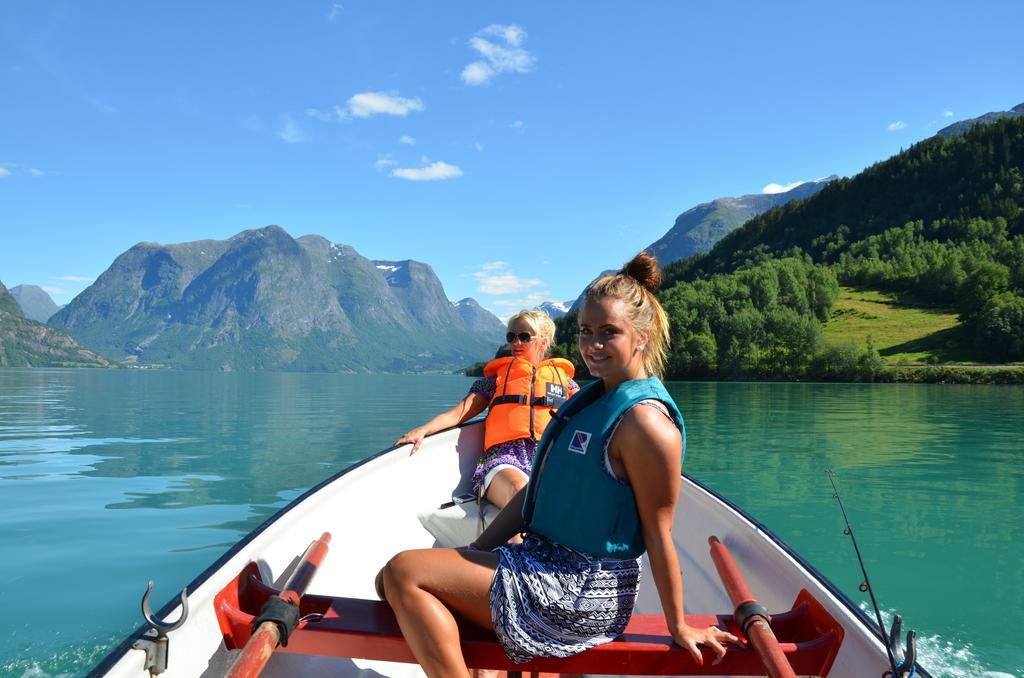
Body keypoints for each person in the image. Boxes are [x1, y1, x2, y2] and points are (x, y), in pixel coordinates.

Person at [379, 252, 738, 676]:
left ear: (641, 336)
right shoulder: (591, 400)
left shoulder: (646, 424)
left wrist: (679, 624)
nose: (593, 345)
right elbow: (535, 495)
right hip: (542, 561)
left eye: (609, 333)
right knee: (385, 582)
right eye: (586, 331)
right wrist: (476, 551)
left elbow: (660, 532)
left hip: (582, 590)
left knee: (404, 572)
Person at [394, 309, 578, 510]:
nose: (516, 342)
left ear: (543, 342)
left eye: (524, 337)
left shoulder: (567, 385)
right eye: (511, 336)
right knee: (520, 491)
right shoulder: (494, 381)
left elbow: (590, 419)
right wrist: (424, 430)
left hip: (549, 459)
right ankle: (514, 542)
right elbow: (460, 412)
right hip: (505, 458)